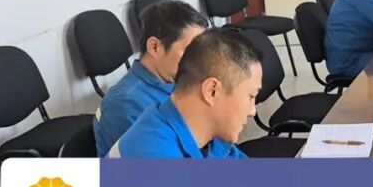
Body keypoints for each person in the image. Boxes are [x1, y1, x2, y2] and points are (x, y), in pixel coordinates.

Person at [109, 29, 260, 158]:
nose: (252, 111)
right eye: (251, 97)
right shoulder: (154, 157)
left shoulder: (208, 129)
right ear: (212, 91)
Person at [93, 0, 208, 155]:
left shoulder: (175, 81)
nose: (199, 60)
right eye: (190, 51)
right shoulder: (125, 104)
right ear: (154, 47)